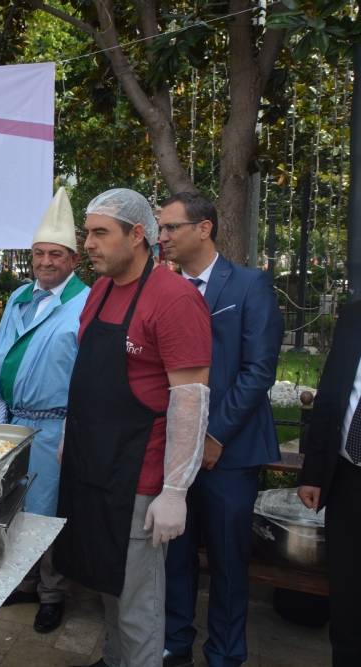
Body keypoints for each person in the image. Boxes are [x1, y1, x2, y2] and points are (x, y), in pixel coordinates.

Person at [53, 189, 212, 667]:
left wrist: (175, 491)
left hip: (137, 474)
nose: (88, 244)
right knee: (106, 582)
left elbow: (190, 401)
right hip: (90, 465)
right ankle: (113, 659)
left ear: (137, 234)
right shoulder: (99, 291)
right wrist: (69, 438)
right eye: (87, 233)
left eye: (100, 233)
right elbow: (87, 378)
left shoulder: (174, 298)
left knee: (138, 604)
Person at [159, 192, 284, 667]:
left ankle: (226, 654)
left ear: (204, 228)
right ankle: (174, 644)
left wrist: (212, 437)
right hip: (176, 450)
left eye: (171, 227)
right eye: (161, 228)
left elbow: (259, 371)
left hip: (229, 452)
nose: (162, 237)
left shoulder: (250, 285)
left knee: (229, 561)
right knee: (175, 553)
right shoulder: (166, 289)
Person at [0, 188, 89, 632]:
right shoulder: (20, 295)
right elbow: (1, 352)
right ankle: (24, 583)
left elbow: (87, 371)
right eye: (39, 253)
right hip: (11, 420)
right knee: (13, 505)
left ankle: (52, 593)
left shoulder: (85, 303)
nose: (45, 261)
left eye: (56, 254)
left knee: (48, 513)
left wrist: (76, 429)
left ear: (74, 259)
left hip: (54, 425)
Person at [298, 299, 361, 666]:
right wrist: (313, 474)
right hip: (347, 482)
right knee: (347, 604)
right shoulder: (355, 315)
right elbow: (330, 396)